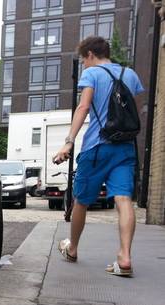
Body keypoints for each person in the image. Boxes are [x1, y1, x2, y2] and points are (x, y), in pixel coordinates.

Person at [53, 36, 144, 277]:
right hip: (125, 147)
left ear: (91, 54)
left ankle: (72, 249)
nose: (83, 64)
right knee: (123, 199)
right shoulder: (130, 75)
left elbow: (83, 107)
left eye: (83, 60)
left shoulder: (92, 74)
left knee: (81, 200)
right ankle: (124, 257)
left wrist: (68, 142)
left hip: (97, 146)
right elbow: (132, 110)